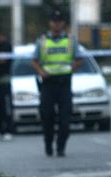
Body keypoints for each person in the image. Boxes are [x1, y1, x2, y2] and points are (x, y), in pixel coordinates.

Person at [31, 9, 82, 157]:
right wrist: (41, 72)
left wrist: (71, 69)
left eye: (59, 21)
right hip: (48, 83)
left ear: (63, 23)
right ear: (50, 23)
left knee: (65, 119)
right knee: (47, 116)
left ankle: (61, 147)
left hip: (64, 83)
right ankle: (48, 143)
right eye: (54, 21)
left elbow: (79, 59)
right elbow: (34, 61)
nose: (57, 24)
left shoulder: (71, 40)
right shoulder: (42, 41)